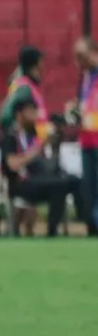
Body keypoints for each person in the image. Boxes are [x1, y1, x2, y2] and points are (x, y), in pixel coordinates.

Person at [0, 94, 82, 237]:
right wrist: (37, 149)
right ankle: (52, 232)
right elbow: (13, 165)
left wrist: (51, 144)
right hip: (21, 183)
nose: (34, 115)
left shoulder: (32, 134)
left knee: (74, 181)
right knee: (59, 185)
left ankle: (88, 221)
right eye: (30, 111)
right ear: (19, 114)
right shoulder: (10, 136)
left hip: (39, 178)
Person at [71, 36, 98, 235]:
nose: (78, 62)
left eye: (81, 56)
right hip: (87, 141)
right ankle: (92, 226)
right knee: (89, 188)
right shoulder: (87, 77)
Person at [0, 45, 51, 139]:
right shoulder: (25, 88)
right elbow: (25, 115)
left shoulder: (26, 84)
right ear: (36, 63)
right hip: (26, 144)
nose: (43, 64)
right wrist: (48, 130)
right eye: (41, 60)